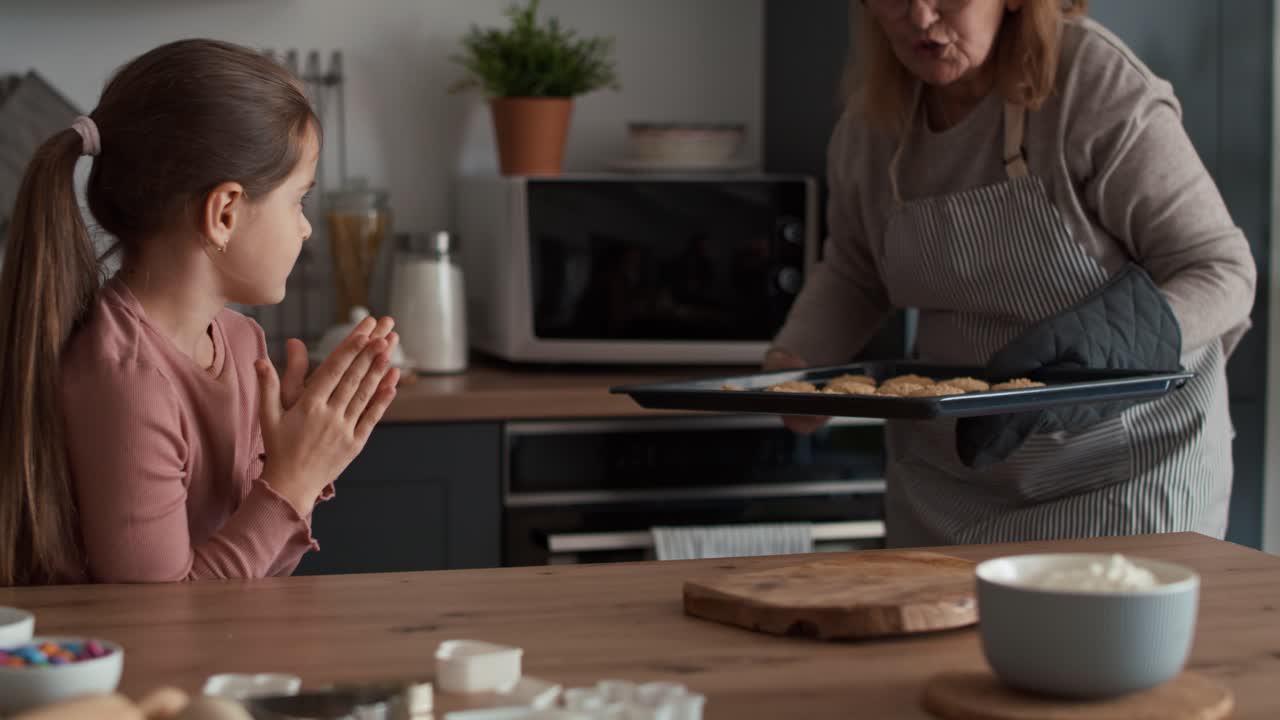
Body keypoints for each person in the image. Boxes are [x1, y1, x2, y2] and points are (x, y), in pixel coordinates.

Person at [767, 0, 1256, 546]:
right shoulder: (871, 123)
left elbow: (1221, 270)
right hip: (949, 487)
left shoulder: (1092, 83)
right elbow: (856, 270)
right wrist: (797, 363)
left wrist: (1100, 346)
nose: (921, 17)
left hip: (1124, 475)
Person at [0, 39, 400, 585]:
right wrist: (291, 482)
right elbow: (163, 616)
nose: (305, 227)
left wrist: (302, 466)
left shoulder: (240, 343)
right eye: (298, 200)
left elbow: (255, 576)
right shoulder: (129, 380)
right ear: (225, 212)